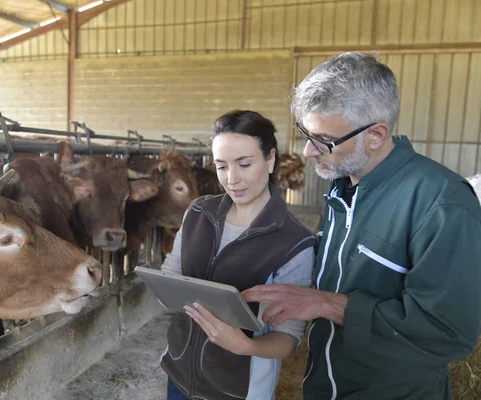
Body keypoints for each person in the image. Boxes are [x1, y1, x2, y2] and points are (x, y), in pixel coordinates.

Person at [242, 52, 481, 399]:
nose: (308, 151)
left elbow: (448, 333)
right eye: (305, 132)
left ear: (376, 135)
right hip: (325, 385)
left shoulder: (442, 203)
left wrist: (330, 305)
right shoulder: (343, 188)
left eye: (323, 139)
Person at [159, 109, 317, 400]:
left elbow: (288, 338)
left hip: (238, 389)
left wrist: (245, 346)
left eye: (244, 164)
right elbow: (172, 271)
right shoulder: (198, 212)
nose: (232, 179)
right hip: (180, 373)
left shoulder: (295, 243)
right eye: (221, 166)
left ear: (270, 159)